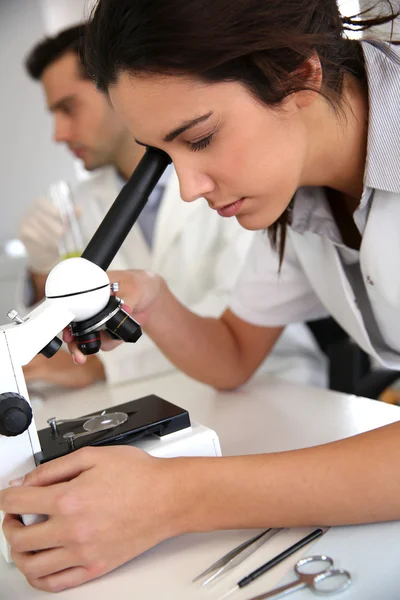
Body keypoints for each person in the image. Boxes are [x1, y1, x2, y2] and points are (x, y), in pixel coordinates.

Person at [1, 0, 399, 592]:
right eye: (166, 154)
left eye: (202, 138)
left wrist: (175, 496)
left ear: (297, 71)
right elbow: (234, 354)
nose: (189, 188)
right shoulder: (298, 193)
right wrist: (150, 299)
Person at [19, 24, 325, 389]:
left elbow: (233, 315)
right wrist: (43, 270)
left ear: (116, 92)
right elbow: (71, 318)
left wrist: (100, 365)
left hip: (274, 385)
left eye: (68, 108)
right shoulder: (76, 206)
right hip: (154, 391)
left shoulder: (241, 175)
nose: (58, 133)